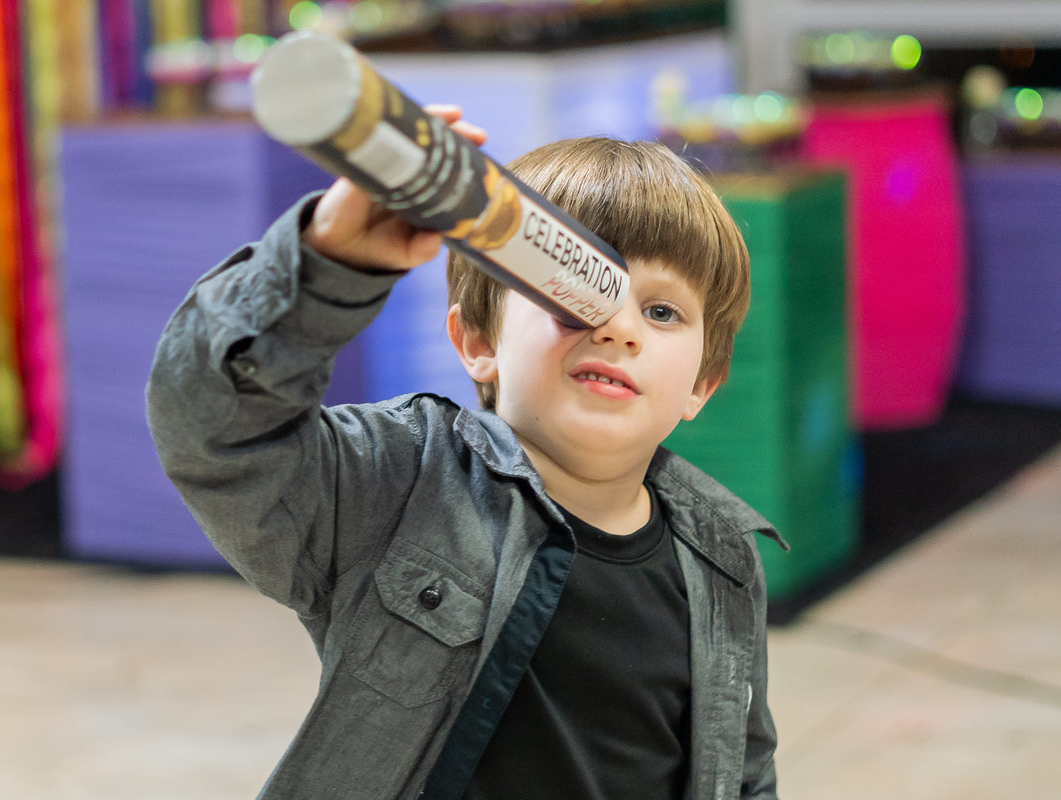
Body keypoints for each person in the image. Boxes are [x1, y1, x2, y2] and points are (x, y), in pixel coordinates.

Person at [146, 105, 784, 800]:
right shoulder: (397, 483)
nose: (618, 326)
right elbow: (217, 426)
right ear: (478, 342)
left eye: (662, 312)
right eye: (573, 292)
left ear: (701, 384)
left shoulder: (723, 558)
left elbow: (742, 768)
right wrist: (327, 264)